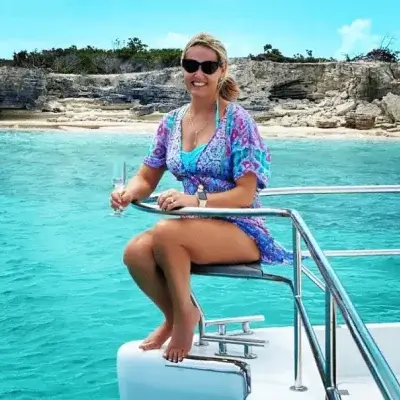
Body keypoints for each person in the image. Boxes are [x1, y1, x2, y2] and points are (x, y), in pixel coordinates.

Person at [110, 32, 293, 363]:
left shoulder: (238, 120)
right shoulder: (170, 122)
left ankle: (185, 319)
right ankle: (174, 316)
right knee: (135, 253)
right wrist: (128, 193)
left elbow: (246, 194)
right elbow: (147, 176)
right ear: (183, 68)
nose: (198, 74)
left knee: (166, 232)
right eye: (191, 65)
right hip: (191, 225)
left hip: (240, 227)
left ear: (222, 70)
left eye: (208, 67)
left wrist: (195, 201)